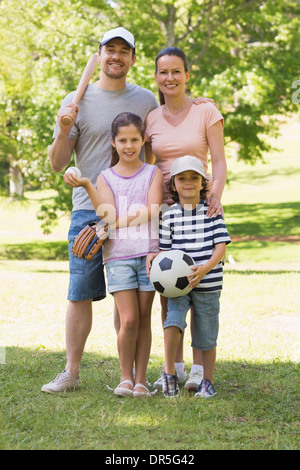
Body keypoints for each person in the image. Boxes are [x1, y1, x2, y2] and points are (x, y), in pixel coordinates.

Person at [42, 27, 160, 394]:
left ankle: (130, 376)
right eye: (111, 49)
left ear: (133, 59)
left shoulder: (145, 101)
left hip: (134, 215)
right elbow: (58, 164)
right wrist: (63, 130)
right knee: (80, 290)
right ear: (100, 53)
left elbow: (152, 155)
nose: (117, 56)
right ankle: (71, 372)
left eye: (125, 51)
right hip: (88, 212)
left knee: (127, 296)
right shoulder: (77, 99)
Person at [62, 112, 163, 397]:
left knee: (144, 317)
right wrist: (86, 185)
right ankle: (125, 378)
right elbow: (105, 214)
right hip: (117, 257)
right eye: (123, 140)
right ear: (113, 142)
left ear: (143, 140)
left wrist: (115, 223)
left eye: (134, 139)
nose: (129, 145)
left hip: (148, 255)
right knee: (128, 319)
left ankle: (141, 380)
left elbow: (153, 209)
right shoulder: (105, 177)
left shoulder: (153, 173)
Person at [144, 47, 227, 391]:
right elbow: (148, 169)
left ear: (187, 74)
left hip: (200, 207)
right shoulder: (151, 118)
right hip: (166, 214)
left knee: (202, 295)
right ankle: (172, 368)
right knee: (171, 290)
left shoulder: (206, 110)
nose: (170, 78)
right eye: (163, 72)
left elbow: (219, 162)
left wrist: (216, 196)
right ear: (157, 77)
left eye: (177, 71)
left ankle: (198, 371)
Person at [146, 155, 231, 397]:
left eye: (194, 178)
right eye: (182, 178)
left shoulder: (212, 211)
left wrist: (204, 269)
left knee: (206, 332)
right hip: (176, 285)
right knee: (173, 321)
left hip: (209, 282)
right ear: (173, 184)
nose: (188, 182)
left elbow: (221, 246)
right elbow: (165, 250)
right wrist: (154, 257)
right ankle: (170, 371)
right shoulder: (169, 215)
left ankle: (207, 381)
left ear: (203, 182)